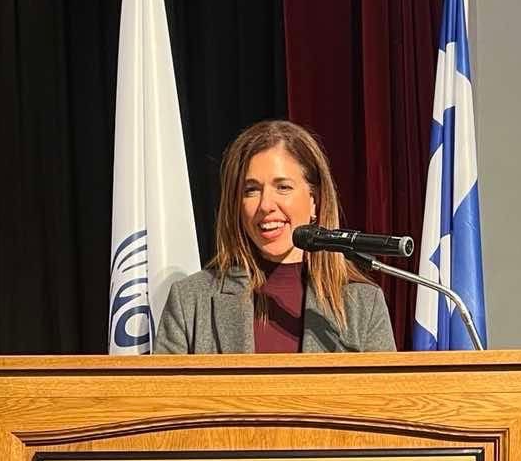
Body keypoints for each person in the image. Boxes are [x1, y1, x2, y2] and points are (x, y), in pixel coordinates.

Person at [153, 120, 397, 354]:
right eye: (251, 190)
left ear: (315, 200)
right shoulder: (190, 300)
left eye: (283, 187)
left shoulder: (363, 304)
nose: (266, 205)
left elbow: (386, 386)